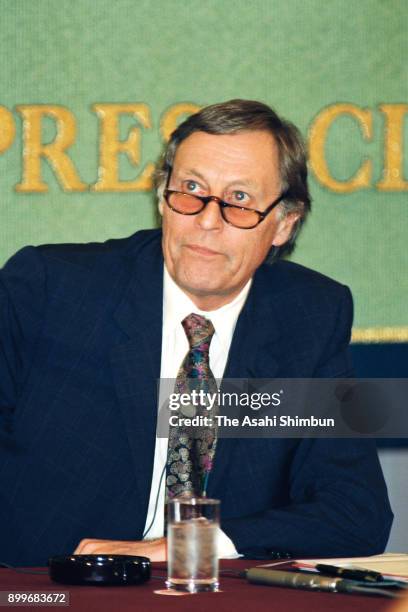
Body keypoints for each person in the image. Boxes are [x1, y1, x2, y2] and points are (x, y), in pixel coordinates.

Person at [0, 100, 392, 566]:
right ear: (161, 195)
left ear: (284, 224)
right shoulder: (51, 290)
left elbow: (354, 512)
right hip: (49, 590)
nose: (207, 220)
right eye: (191, 189)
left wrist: (191, 547)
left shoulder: (307, 317)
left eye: (240, 200)